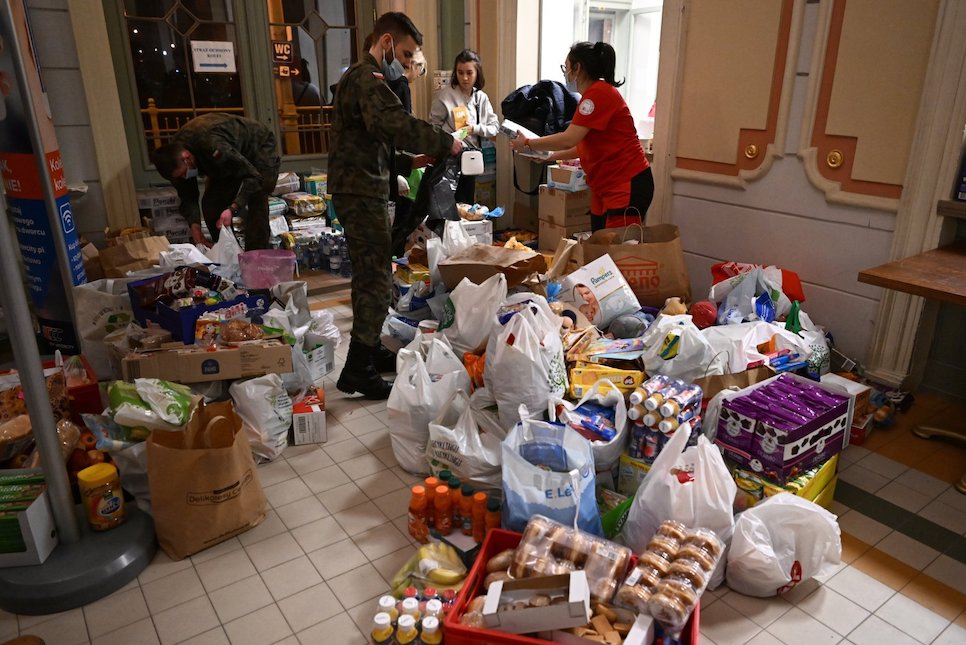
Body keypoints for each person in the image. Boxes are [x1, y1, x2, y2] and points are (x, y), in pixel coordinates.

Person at [329, 11, 462, 400]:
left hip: (361, 184)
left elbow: (370, 140)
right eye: (404, 55)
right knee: (375, 278)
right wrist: (443, 142)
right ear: (386, 42)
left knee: (373, 275)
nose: (406, 65)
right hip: (359, 189)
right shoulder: (365, 77)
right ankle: (357, 369)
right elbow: (392, 122)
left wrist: (407, 162)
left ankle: (367, 355)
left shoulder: (360, 78)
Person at [510, 42, 653, 231]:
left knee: (619, 252)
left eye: (566, 67)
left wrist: (528, 142)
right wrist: (549, 156)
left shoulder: (598, 94)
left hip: (626, 182)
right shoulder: (593, 95)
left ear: (577, 68)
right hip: (606, 185)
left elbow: (569, 138)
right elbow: (584, 146)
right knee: (600, 246)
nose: (565, 73)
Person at [152, 113, 279, 250]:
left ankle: (255, 256)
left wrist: (233, 208)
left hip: (258, 147)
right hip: (223, 159)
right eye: (180, 176)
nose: (184, 178)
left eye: (184, 174)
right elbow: (187, 194)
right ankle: (227, 251)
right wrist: (194, 224)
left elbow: (255, 177)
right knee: (212, 205)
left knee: (256, 199)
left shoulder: (212, 145)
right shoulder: (175, 157)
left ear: (187, 157)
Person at [429, 49, 500, 204]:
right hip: (449, 159)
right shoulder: (445, 96)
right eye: (460, 73)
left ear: (477, 73)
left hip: (471, 158)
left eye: (469, 73)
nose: (465, 78)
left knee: (466, 204)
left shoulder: (481, 98)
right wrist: (450, 138)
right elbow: (433, 128)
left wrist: (474, 128)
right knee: (447, 205)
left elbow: (494, 127)